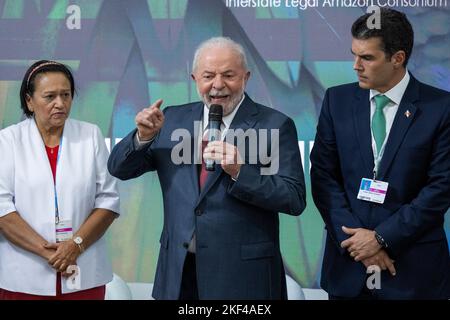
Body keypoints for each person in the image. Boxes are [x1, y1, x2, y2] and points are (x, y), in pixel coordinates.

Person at [108, 37, 306, 300]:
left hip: (243, 277)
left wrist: (240, 171)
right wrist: (142, 137)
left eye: (228, 75)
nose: (218, 85)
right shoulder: (170, 119)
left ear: (246, 77)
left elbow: (294, 198)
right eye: (208, 75)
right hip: (179, 274)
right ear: (194, 79)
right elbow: (119, 168)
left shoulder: (275, 125)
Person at [310, 8, 450, 299]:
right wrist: (358, 244)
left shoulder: (440, 109)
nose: (355, 65)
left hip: (412, 274)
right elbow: (323, 176)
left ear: (397, 58)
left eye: (367, 58)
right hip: (347, 271)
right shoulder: (337, 100)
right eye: (354, 54)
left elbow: (440, 188)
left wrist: (382, 239)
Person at [0, 60, 120, 300]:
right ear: (29, 101)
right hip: (24, 277)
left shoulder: (90, 135)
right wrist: (51, 253)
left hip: (83, 272)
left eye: (66, 95)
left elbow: (108, 201)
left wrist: (74, 245)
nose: (60, 104)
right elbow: (3, 209)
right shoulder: (8, 140)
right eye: (50, 96)